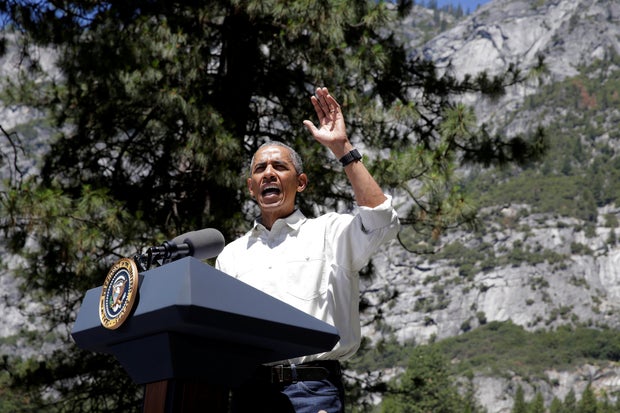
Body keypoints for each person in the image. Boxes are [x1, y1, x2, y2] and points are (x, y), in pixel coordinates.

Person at [215, 87, 400, 413]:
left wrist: (342, 148)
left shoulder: (330, 233)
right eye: (260, 169)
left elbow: (381, 220)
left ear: (300, 182)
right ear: (251, 187)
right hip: (248, 394)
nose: (268, 173)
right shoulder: (230, 256)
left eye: (279, 167)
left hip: (312, 390)